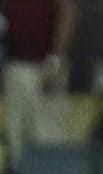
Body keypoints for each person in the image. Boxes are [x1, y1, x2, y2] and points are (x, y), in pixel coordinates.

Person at [2, 0, 75, 160]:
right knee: (16, 137)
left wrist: (55, 62)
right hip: (15, 65)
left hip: (43, 66)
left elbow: (67, 14)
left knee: (46, 136)